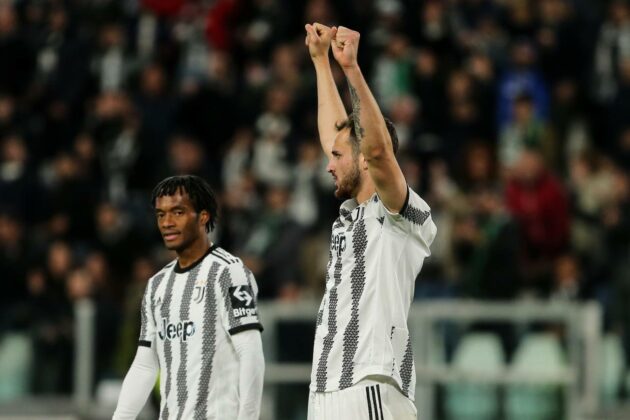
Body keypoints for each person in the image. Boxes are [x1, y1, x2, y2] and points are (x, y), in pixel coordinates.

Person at [304, 23, 437, 419]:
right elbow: (341, 139)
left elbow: (377, 151)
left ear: (363, 159)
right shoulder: (351, 216)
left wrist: (350, 69)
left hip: (371, 384)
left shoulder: (399, 214)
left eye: (337, 157)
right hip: (327, 387)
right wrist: (320, 63)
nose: (328, 165)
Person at [112, 175, 264, 419]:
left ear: (203, 217)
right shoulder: (157, 285)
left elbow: (250, 350)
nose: (167, 222)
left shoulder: (229, 272)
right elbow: (145, 365)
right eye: (161, 214)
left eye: (178, 212)